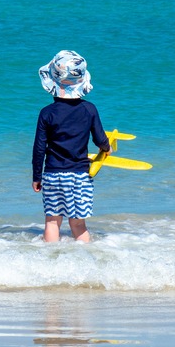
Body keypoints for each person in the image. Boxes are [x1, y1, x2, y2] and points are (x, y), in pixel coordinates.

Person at [32, 50, 111, 243]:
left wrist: (36, 177)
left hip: (52, 174)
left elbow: (39, 148)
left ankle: (50, 262)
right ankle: (84, 263)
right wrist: (107, 148)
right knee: (78, 225)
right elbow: (99, 138)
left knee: (52, 222)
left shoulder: (46, 113)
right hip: (78, 176)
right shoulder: (89, 109)